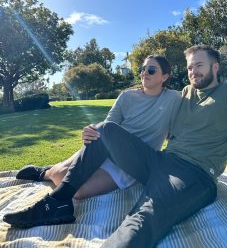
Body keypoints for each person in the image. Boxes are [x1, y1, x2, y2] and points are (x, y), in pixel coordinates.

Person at [4, 45, 227, 248]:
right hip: (159, 160)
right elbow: (140, 110)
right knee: (106, 130)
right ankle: (59, 202)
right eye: (190, 67)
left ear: (215, 67)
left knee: (144, 214)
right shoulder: (185, 94)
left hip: (194, 173)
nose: (193, 72)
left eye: (199, 66)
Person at [15, 55, 182, 199]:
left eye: (151, 70)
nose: (144, 73)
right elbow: (109, 124)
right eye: (142, 68)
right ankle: (45, 173)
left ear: (165, 76)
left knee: (78, 192)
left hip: (134, 162)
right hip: (107, 149)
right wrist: (91, 130)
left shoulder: (174, 98)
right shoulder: (127, 96)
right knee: (60, 175)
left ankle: (48, 172)